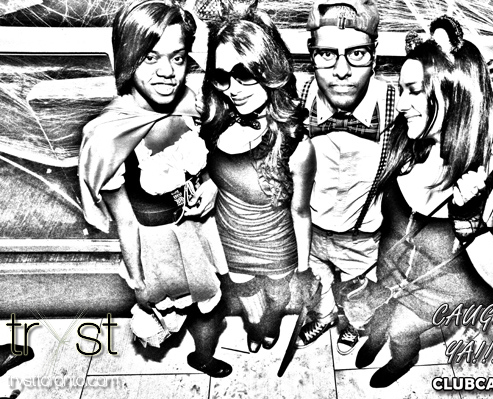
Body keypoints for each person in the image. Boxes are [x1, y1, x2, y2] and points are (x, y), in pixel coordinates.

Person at [294, 0, 493, 355]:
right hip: (311, 230)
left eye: (356, 53)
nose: (341, 70)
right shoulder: (297, 96)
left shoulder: (396, 104)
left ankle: (357, 327)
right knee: (323, 284)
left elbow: (458, 100)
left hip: (364, 239)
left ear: (374, 55)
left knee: (362, 299)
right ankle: (326, 317)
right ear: (311, 55)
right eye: (326, 54)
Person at [354, 17, 493, 388]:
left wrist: (469, 220)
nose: (401, 104)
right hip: (387, 273)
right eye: (401, 90)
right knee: (379, 317)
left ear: (456, 93)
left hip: (433, 296)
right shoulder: (409, 139)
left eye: (413, 91)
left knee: (401, 331)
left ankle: (401, 359)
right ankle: (376, 336)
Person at [78, 0, 231, 378]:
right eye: (150, 58)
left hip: (199, 231)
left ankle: (203, 357)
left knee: (212, 304)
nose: (167, 72)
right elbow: (124, 222)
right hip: (155, 245)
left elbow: (204, 162)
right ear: (128, 58)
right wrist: (138, 281)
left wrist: (209, 183)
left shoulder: (187, 102)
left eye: (177, 58)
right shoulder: (109, 136)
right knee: (172, 310)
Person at [199, 8, 316, 353]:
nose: (233, 89)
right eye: (222, 77)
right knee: (248, 299)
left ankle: (272, 322)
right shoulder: (215, 122)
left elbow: (301, 212)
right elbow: (219, 175)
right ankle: (256, 325)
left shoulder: (296, 145)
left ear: (269, 70)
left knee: (278, 297)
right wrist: (209, 183)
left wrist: (304, 271)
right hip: (232, 243)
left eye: (244, 74)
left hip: (278, 248)